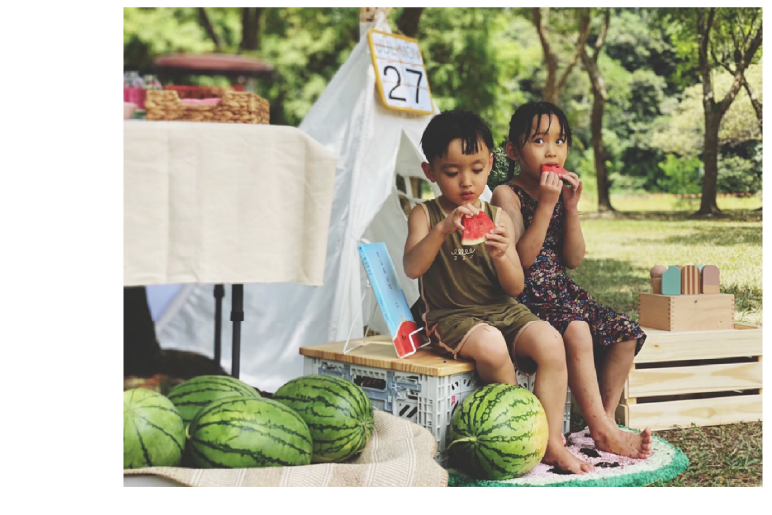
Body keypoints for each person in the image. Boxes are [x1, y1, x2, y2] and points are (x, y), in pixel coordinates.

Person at [404, 110, 593, 474]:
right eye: (451, 172)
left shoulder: (498, 216)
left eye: (476, 169)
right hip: (451, 318)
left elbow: (515, 286)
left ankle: (552, 442)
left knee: (551, 341)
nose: (466, 181)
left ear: (490, 164)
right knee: (491, 344)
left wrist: (504, 253)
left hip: (503, 309)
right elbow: (412, 267)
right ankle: (522, 428)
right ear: (430, 172)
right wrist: (442, 230)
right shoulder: (424, 215)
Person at [491, 101, 652, 459]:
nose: (552, 150)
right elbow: (521, 260)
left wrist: (572, 208)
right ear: (513, 150)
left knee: (625, 332)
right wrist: (548, 205)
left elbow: (574, 259)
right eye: (539, 140)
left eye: (560, 140)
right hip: (527, 297)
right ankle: (603, 430)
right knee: (577, 330)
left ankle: (603, 423)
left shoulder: (559, 193)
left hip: (562, 292)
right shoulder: (506, 194)